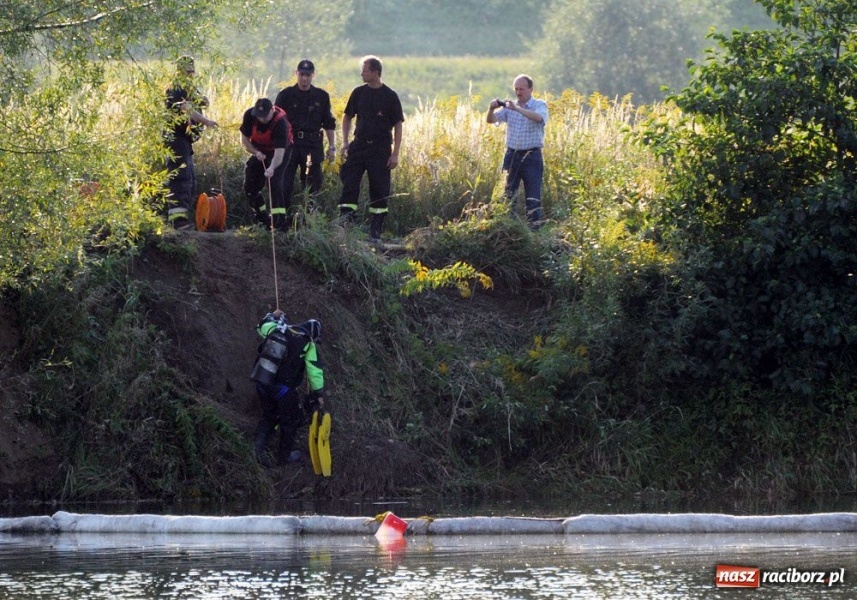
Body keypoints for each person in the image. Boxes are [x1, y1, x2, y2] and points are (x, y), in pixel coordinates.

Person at [338, 55, 405, 241]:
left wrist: (395, 154)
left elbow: (398, 125)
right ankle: (346, 224)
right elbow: (347, 117)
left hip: (380, 149)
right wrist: (345, 142)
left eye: (365, 71)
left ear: (376, 72)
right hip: (359, 146)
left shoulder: (390, 96)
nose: (362, 74)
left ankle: (376, 229)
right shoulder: (358, 93)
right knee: (349, 185)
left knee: (379, 189)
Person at [251, 309, 325, 467]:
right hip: (283, 390)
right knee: (289, 422)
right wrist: (318, 393)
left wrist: (273, 316)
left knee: (269, 415)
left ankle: (256, 450)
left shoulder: (278, 328)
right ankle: (283, 458)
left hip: (262, 381)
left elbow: (261, 327)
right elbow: (314, 371)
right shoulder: (308, 343)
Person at [486, 74, 548, 229]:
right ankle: (509, 229)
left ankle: (534, 231)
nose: (518, 92)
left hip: (532, 156)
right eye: (516, 89)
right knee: (508, 195)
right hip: (512, 155)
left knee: (533, 196)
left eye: (521, 89)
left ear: (531, 89)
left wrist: (517, 109)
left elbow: (539, 119)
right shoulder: (509, 107)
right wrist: (491, 108)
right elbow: (491, 120)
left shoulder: (539, 104)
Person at [164, 56, 218, 229]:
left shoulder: (188, 88)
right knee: (180, 178)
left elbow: (202, 101)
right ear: (180, 71)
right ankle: (178, 221)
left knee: (190, 180)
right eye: (187, 72)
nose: (190, 75)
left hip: (185, 141)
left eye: (191, 72)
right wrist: (206, 121)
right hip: (175, 138)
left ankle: (184, 218)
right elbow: (186, 108)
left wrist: (202, 100)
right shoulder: (176, 88)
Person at [274, 59, 337, 208]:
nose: (304, 78)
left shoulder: (321, 96)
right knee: (284, 184)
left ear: (313, 75)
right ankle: (283, 218)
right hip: (291, 144)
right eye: (302, 74)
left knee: (312, 187)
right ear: (296, 73)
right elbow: (275, 121)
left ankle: (309, 218)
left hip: (312, 145)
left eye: (308, 75)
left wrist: (332, 147)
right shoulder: (285, 95)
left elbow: (328, 123)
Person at [240, 98, 293, 229]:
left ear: (272, 110)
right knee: (250, 184)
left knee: (274, 182)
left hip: (280, 151)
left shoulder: (281, 123)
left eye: (264, 116)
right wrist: (256, 152)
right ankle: (262, 218)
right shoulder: (250, 116)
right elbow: (244, 140)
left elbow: (279, 154)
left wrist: (271, 168)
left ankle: (279, 223)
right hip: (259, 150)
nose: (261, 119)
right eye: (259, 115)